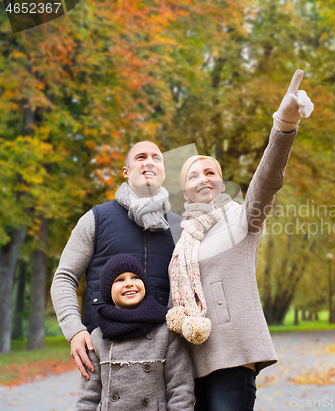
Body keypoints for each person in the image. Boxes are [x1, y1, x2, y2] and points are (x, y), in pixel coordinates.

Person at [166, 69, 314, 410]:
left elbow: (267, 179)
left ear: (221, 181)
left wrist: (284, 125)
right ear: (183, 188)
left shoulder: (241, 218)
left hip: (232, 357)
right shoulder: (181, 235)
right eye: (193, 175)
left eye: (211, 172)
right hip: (187, 363)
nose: (203, 179)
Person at [51, 141, 183, 380]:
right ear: (126, 171)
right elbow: (64, 277)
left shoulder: (180, 227)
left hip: (164, 353)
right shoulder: (96, 219)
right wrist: (74, 330)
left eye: (156, 158)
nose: (149, 162)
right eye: (141, 157)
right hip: (106, 350)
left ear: (164, 172)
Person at [76, 254, 195, 411]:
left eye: (135, 277)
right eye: (119, 280)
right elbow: (88, 396)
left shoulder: (165, 331)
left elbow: (180, 389)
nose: (129, 284)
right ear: (107, 290)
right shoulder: (98, 337)